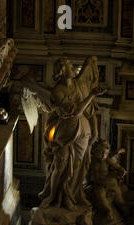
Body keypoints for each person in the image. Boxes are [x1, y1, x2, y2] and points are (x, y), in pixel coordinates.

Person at [39, 56, 106, 210]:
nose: (72, 68)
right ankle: (52, 197)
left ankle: (71, 196)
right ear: (62, 71)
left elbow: (89, 111)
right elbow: (74, 111)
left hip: (84, 130)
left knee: (78, 166)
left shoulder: (78, 84)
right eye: (69, 66)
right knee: (60, 165)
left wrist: (95, 129)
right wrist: (92, 95)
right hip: (65, 132)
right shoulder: (57, 91)